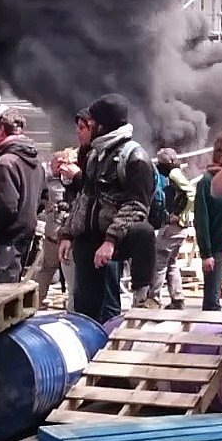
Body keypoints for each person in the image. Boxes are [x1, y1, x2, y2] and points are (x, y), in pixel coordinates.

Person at [58, 94, 158, 324]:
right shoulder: (96, 155)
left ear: (102, 125)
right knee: (86, 309)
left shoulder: (136, 158)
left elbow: (136, 206)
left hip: (118, 237)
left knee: (144, 232)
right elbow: (85, 198)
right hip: (91, 238)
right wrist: (67, 233)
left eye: (91, 122)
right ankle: (88, 330)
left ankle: (142, 299)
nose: (88, 126)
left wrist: (110, 241)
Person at [0, 106, 48, 284]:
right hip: (25, 239)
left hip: (6, 242)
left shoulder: (7, 162)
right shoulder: (37, 163)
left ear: (2, 129)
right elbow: (43, 199)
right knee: (13, 290)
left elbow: (6, 206)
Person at [193, 132, 222, 311]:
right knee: (212, 297)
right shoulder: (207, 182)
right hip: (217, 248)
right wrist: (206, 253)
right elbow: (202, 219)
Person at [150, 148, 196, 309]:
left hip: (173, 227)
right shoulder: (177, 173)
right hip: (180, 228)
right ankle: (177, 299)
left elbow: (190, 192)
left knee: (159, 263)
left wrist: (179, 214)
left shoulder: (174, 173)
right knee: (171, 263)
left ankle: (153, 299)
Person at [35, 147, 76, 306]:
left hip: (67, 233)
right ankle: (37, 301)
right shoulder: (47, 180)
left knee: (70, 275)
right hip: (56, 233)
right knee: (48, 269)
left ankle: (73, 306)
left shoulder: (75, 181)